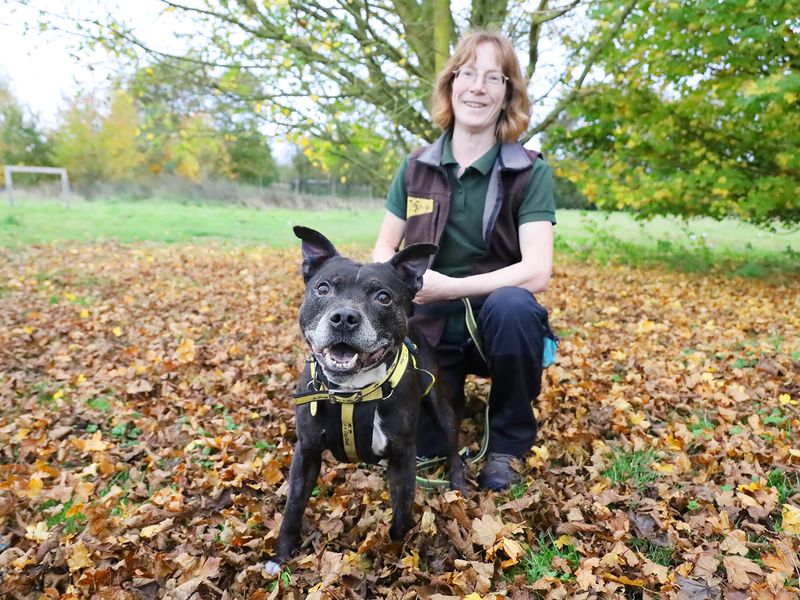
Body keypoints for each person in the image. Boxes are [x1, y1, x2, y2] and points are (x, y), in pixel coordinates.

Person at [372, 30, 556, 491]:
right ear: (451, 84)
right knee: (427, 444)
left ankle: (508, 446)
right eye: (468, 74)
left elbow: (538, 270)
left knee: (514, 305)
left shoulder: (531, 171)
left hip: (496, 327)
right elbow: (382, 253)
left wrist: (451, 288)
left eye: (493, 78)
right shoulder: (415, 167)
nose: (478, 87)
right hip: (428, 329)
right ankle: (441, 402)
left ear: (507, 94)